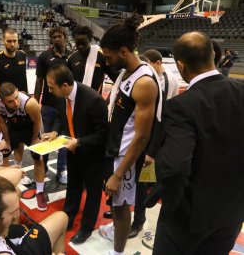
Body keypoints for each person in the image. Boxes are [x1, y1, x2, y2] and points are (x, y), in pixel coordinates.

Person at [153, 31, 244, 255]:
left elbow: (174, 168)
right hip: (232, 212)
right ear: (214, 55)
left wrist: (173, 206)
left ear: (181, 66)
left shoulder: (181, 106)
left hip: (189, 217)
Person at [97, 14, 161, 255]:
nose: (107, 60)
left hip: (125, 157)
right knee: (116, 205)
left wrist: (120, 173)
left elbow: (142, 136)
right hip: (114, 150)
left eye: (108, 55)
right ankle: (116, 233)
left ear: (123, 51)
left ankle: (118, 253)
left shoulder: (144, 82)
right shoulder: (126, 73)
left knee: (122, 208)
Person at [43, 64, 108, 244]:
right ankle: (68, 218)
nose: (48, 90)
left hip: (93, 154)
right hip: (73, 151)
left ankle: (86, 228)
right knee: (73, 186)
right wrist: (55, 132)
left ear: (64, 85)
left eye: (50, 87)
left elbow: (103, 134)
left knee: (93, 192)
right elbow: (60, 117)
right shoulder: (61, 96)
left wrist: (79, 142)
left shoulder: (93, 100)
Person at [125, 49, 180, 238]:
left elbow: (161, 120)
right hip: (131, 140)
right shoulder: (132, 82)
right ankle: (122, 209)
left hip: (149, 143)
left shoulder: (163, 84)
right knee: (126, 178)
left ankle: (138, 220)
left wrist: (152, 151)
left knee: (142, 184)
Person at [0, 82, 48, 211]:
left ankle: (40, 191)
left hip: (29, 126)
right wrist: (8, 141)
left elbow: (37, 121)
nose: (15, 103)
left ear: (18, 91)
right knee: (4, 150)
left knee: (37, 155)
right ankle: (8, 185)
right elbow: (1, 122)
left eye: (16, 98)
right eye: (10, 101)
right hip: (12, 126)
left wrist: (35, 140)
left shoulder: (30, 103)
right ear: (2, 101)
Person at [34, 27, 71, 185]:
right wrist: (35, 103)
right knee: (46, 138)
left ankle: (62, 169)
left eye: (60, 36)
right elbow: (39, 81)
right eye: (54, 36)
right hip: (48, 106)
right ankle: (44, 169)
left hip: (66, 104)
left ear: (65, 37)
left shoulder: (71, 56)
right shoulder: (44, 56)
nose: (57, 39)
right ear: (51, 39)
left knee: (63, 139)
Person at [67, 26, 117, 93]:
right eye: (78, 43)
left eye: (83, 43)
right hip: (76, 99)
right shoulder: (71, 58)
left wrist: (110, 97)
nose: (81, 46)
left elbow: (116, 79)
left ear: (90, 40)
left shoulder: (101, 56)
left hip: (96, 100)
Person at [0, 27, 28, 102]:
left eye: (14, 41)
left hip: (23, 100)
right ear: (3, 41)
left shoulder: (22, 55)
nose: (12, 44)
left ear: (18, 41)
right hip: (6, 102)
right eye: (9, 41)